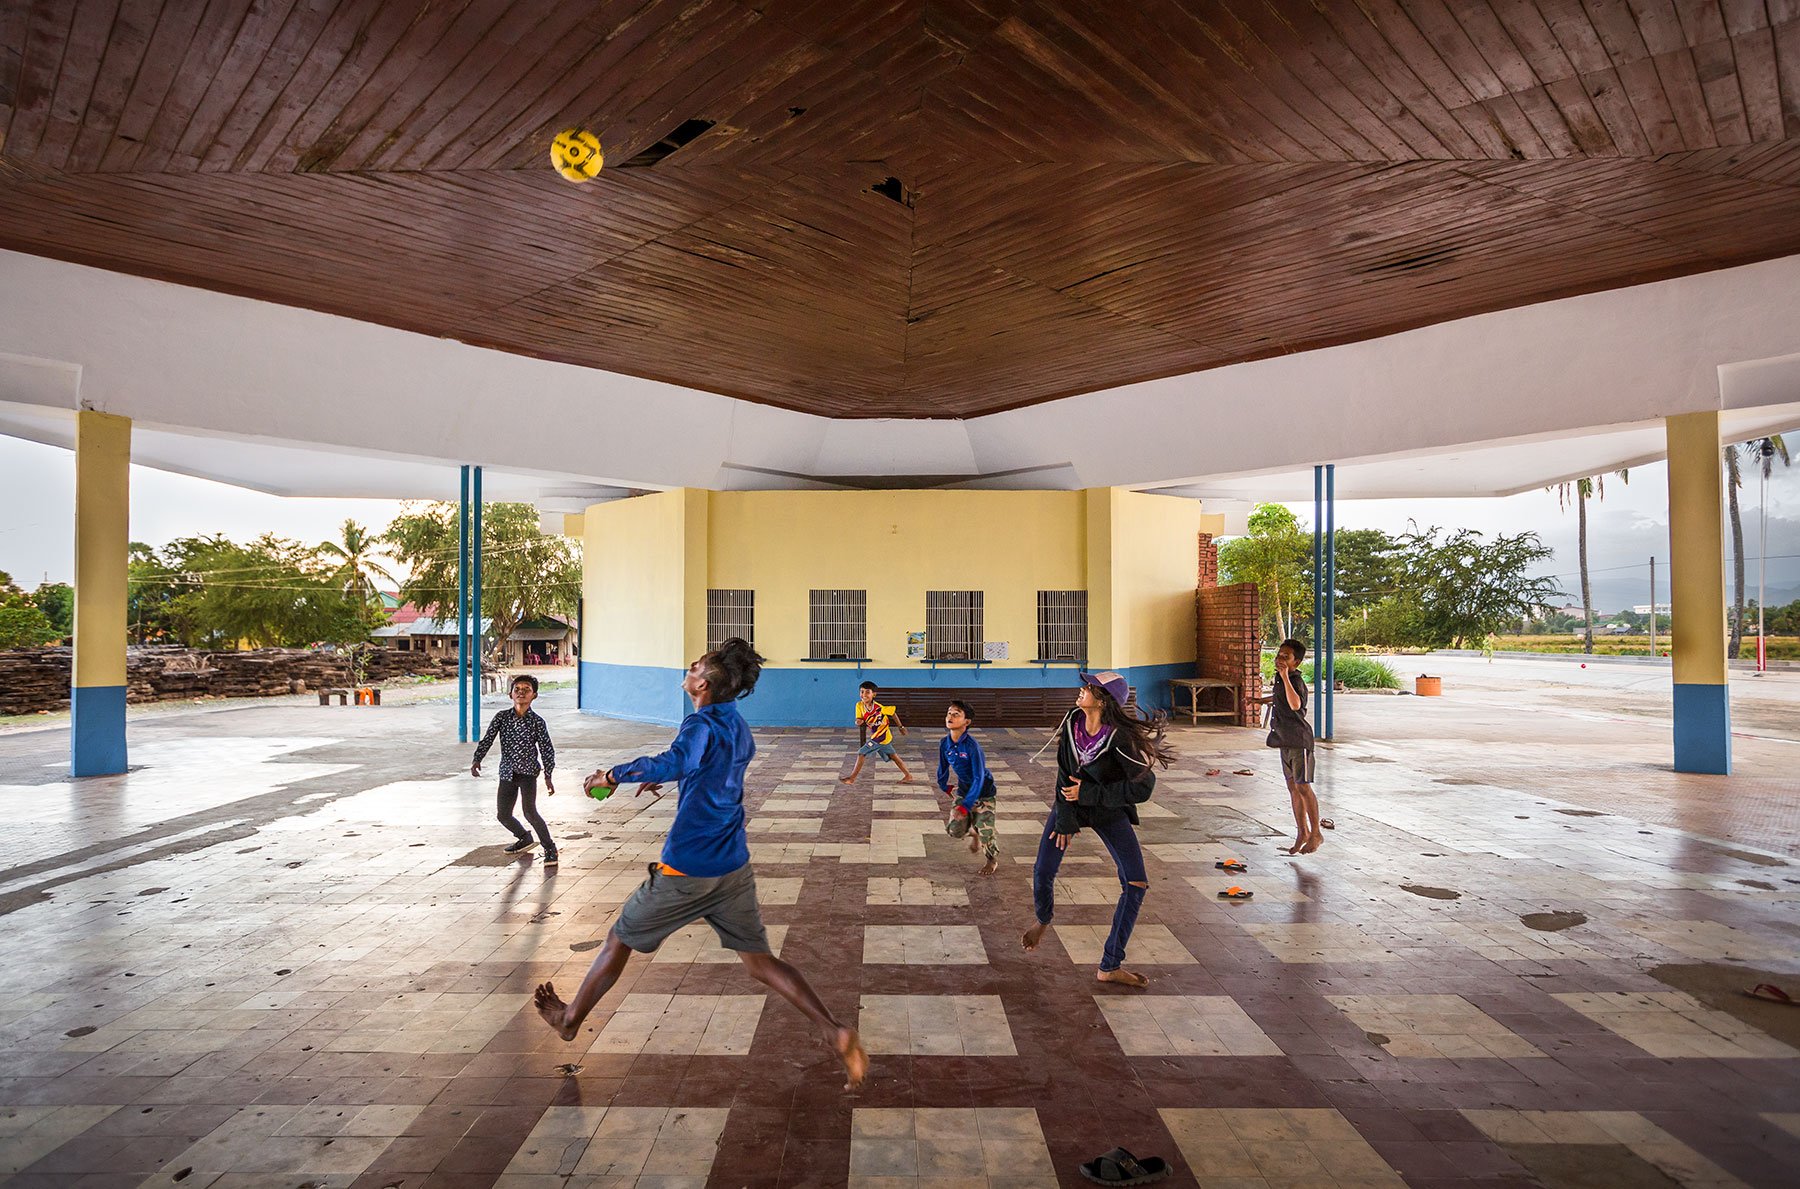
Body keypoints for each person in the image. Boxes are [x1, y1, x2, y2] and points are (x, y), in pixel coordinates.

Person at [531, 638, 868, 1090]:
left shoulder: (700, 723)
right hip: (732, 866)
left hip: (687, 868)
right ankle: (834, 1029)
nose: (687, 670)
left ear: (703, 684)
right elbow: (705, 768)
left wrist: (613, 774)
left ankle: (570, 1020)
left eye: (693, 667)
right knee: (761, 962)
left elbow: (679, 759)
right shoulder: (736, 725)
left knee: (618, 939)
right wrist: (670, 778)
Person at [1022, 671, 1174, 987]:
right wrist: (1065, 817)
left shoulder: (1119, 738)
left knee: (1136, 883)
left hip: (1106, 810)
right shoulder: (1072, 722)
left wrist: (1091, 795)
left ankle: (1111, 964)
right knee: (1042, 870)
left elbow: (1144, 786)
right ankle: (1043, 920)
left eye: (1089, 688)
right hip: (1070, 806)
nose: (1081, 690)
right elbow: (1064, 775)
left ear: (1103, 701)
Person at [471, 674, 558, 866]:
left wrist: (548, 774)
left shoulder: (537, 722)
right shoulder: (502, 717)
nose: (521, 693)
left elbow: (546, 748)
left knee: (530, 812)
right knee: (503, 814)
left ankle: (550, 848)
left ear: (534, 695)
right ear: (510, 694)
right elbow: (488, 738)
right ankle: (524, 838)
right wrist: (478, 758)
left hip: (528, 774)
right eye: (517, 689)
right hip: (507, 773)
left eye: (526, 690)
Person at [1268, 638, 1321, 855]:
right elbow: (1280, 699)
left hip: (1300, 741)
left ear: (1296, 663)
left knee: (1303, 787)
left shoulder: (1294, 681)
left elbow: (1295, 704)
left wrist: (1284, 677)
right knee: (1293, 788)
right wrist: (1260, 701)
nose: (1280, 659)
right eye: (1279, 655)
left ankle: (1316, 832)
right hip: (1284, 740)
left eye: (1286, 657)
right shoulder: (1281, 680)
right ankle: (1302, 831)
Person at [938, 699, 999, 876]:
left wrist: (966, 805)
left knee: (987, 832)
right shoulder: (945, 743)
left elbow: (979, 777)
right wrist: (944, 786)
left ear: (967, 722)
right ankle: (974, 833)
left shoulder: (973, 747)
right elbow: (942, 767)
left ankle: (991, 860)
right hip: (964, 790)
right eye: (949, 713)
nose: (950, 716)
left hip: (984, 791)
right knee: (954, 831)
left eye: (956, 714)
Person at [840, 680, 914, 785]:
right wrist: (858, 722)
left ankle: (851, 778)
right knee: (894, 756)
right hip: (879, 737)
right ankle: (908, 775)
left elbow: (893, 713)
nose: (863, 695)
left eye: (867, 692)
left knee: (861, 753)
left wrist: (900, 727)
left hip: (881, 736)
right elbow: (858, 718)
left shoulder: (879, 708)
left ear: (874, 694)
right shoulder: (859, 705)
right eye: (861, 692)